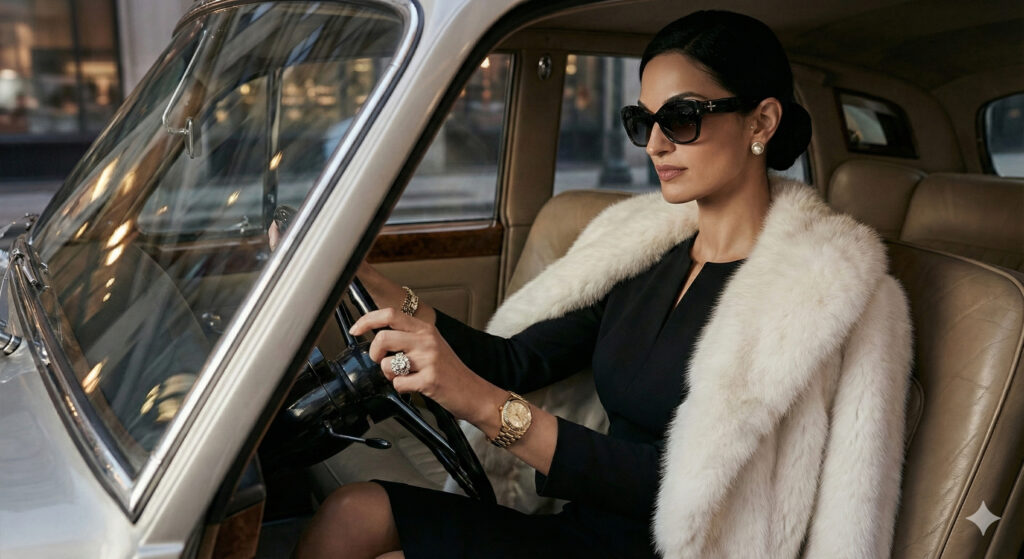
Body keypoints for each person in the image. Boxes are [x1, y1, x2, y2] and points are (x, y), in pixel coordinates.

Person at [295, 10, 912, 559]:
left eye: (683, 117)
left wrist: (483, 405)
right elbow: (518, 358)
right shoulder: (648, 255)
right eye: (642, 120)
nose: (656, 143)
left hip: (685, 546)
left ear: (763, 120)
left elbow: (698, 493)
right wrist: (373, 283)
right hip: (584, 529)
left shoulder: (815, 299)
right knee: (354, 510)